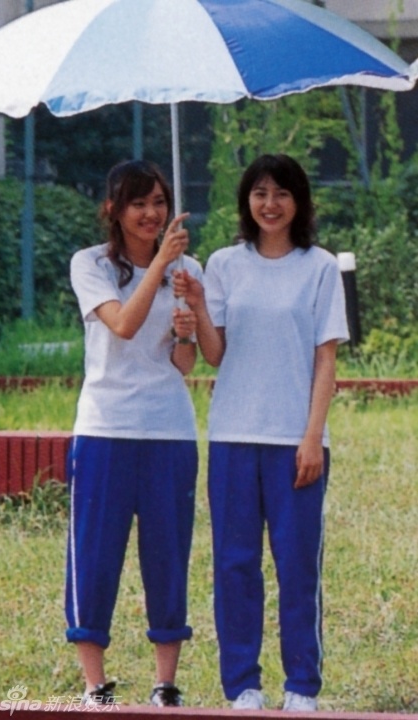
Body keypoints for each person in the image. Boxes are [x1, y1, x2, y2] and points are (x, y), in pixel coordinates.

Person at [173, 154, 349, 711]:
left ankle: (301, 686)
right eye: (259, 193)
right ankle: (242, 685)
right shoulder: (224, 264)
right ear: (246, 201)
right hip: (233, 436)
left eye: (282, 193)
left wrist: (312, 436)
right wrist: (197, 308)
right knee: (234, 564)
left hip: (295, 441)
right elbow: (216, 353)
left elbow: (326, 358)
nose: (270, 204)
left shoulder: (320, 267)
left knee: (297, 566)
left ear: (300, 201)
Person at [65, 159, 202, 708]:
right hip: (105, 428)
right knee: (95, 554)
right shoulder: (90, 264)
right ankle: (95, 684)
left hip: (170, 431)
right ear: (114, 210)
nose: (151, 213)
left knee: (167, 555)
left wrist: (186, 332)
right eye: (138, 203)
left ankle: (165, 682)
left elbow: (185, 365)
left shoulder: (187, 269)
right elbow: (122, 325)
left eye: (159, 202)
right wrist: (160, 264)